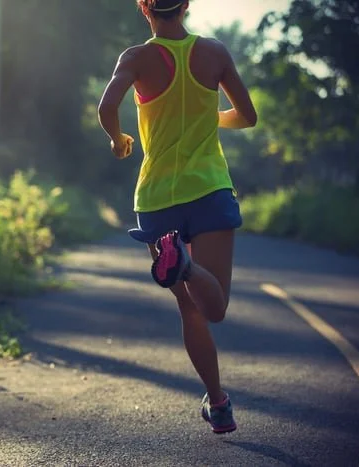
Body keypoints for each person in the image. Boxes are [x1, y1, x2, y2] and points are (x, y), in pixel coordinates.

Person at [97, 0, 257, 434]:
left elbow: (106, 108)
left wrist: (118, 139)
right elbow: (248, 116)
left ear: (143, 6)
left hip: (156, 199)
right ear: (185, 4)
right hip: (208, 190)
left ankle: (219, 403)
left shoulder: (135, 58)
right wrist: (208, 116)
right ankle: (185, 266)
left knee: (189, 309)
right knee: (215, 307)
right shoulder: (215, 53)